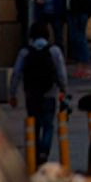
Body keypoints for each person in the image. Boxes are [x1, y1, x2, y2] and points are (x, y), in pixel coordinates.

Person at [9, 22, 70, 159]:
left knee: (34, 125)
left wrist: (12, 94)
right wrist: (63, 89)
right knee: (48, 124)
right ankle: (44, 151)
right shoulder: (54, 51)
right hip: (50, 93)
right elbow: (61, 73)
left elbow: (16, 73)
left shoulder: (25, 52)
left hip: (31, 94)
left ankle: (34, 153)